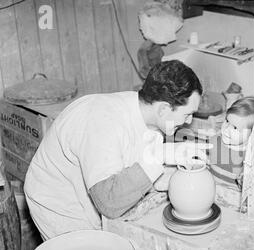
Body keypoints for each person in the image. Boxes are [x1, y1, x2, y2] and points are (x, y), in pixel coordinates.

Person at [24, 60, 211, 240]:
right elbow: (109, 203)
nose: (189, 121)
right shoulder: (103, 121)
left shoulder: (151, 120)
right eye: (188, 114)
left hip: (95, 191)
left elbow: (137, 171)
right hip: (60, 201)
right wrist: (161, 155)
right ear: (163, 109)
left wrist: (178, 178)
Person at [208, 96, 254, 185]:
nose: (226, 128)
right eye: (227, 121)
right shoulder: (214, 141)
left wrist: (251, 185)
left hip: (234, 197)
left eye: (235, 127)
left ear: (253, 134)